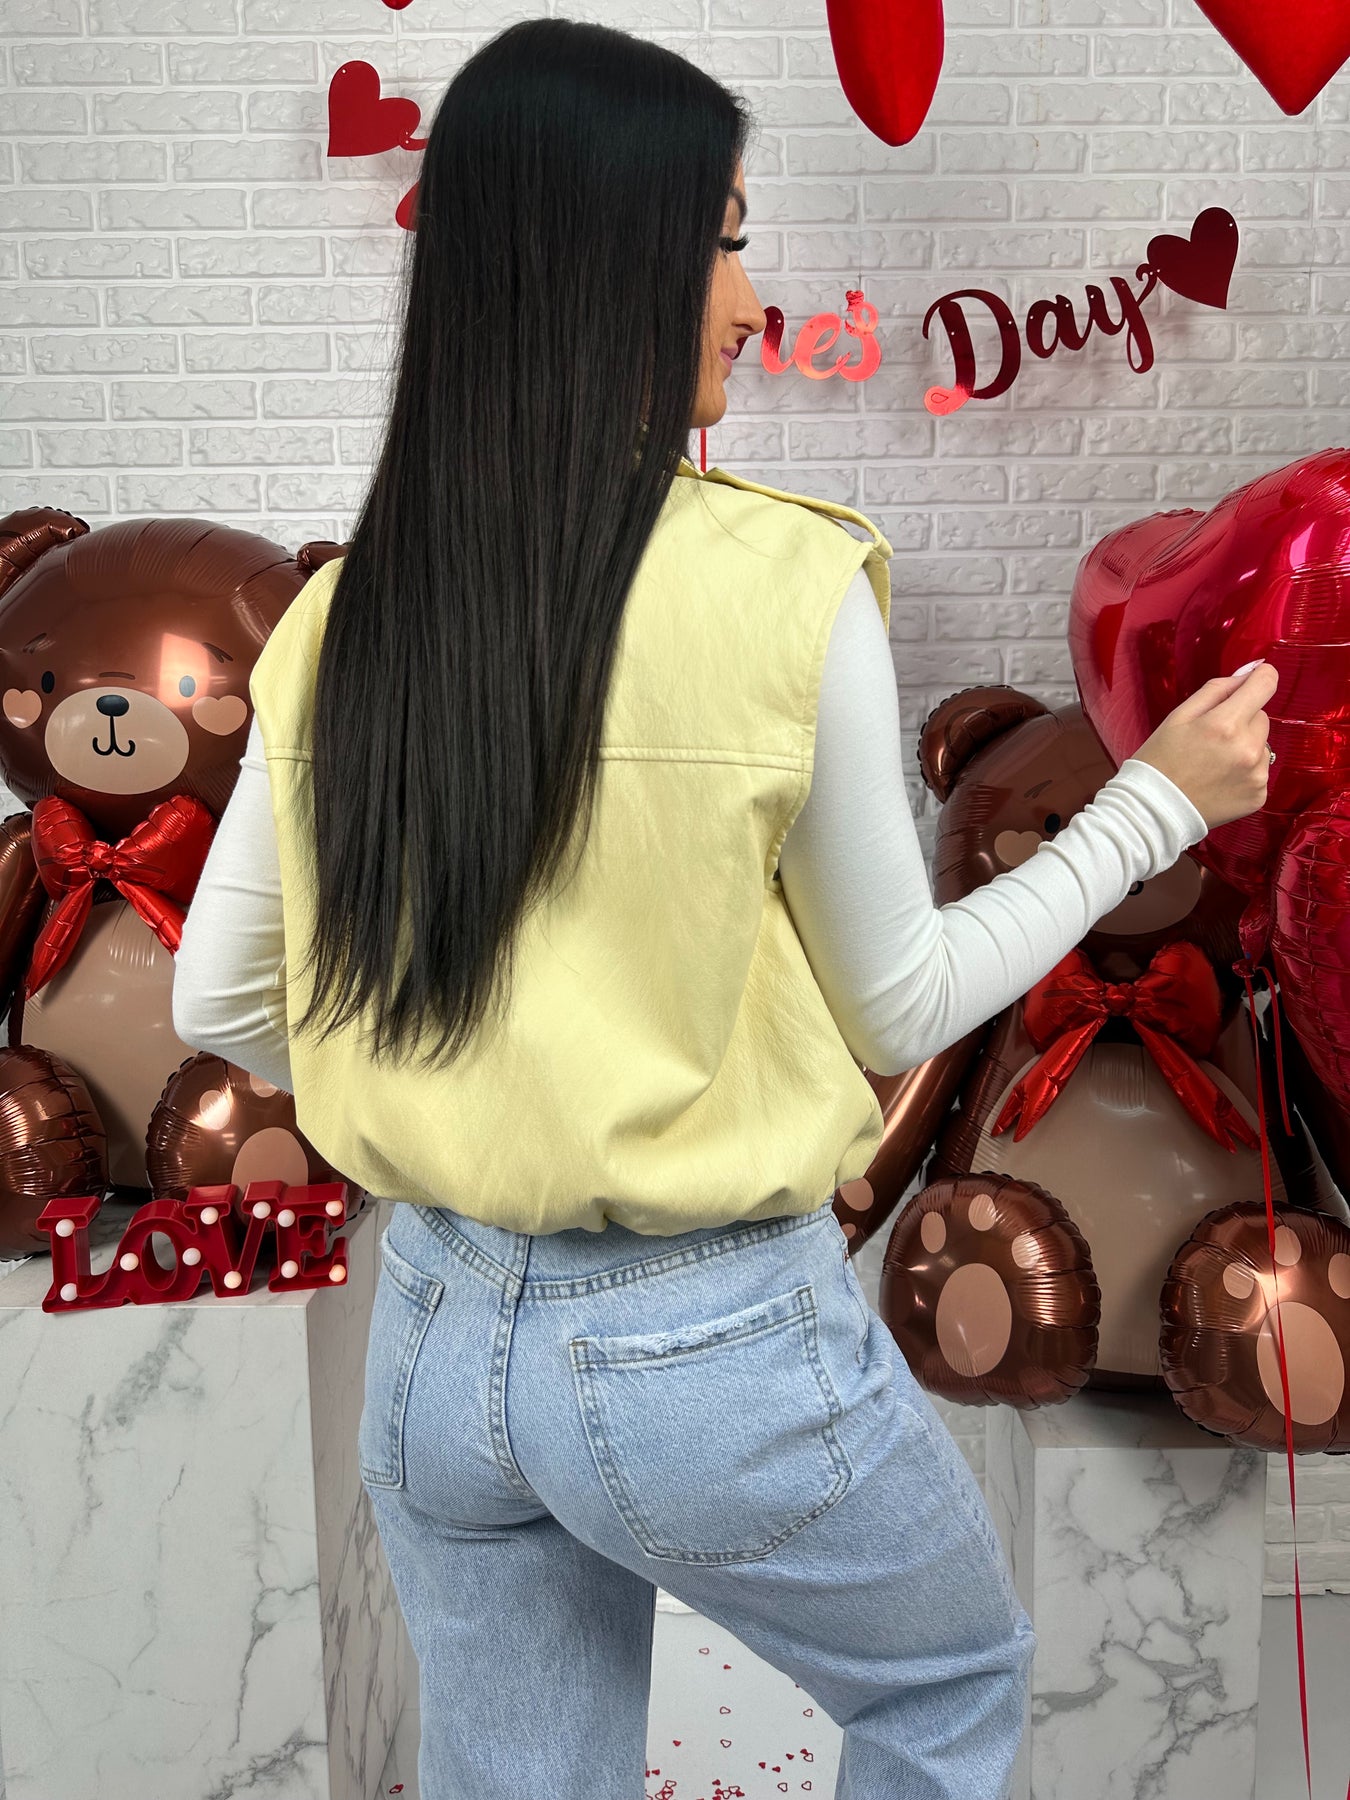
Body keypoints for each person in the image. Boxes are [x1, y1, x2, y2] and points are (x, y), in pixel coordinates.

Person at [171, 18, 1277, 1800]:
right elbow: (901, 1002)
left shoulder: (342, 608)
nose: (753, 302)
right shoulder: (783, 584)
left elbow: (219, 1003)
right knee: (946, 1687)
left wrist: (466, 1101)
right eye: (728, 240)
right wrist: (1151, 804)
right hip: (701, 1342)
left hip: (435, 1329)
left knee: (518, 1777)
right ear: (610, 262)